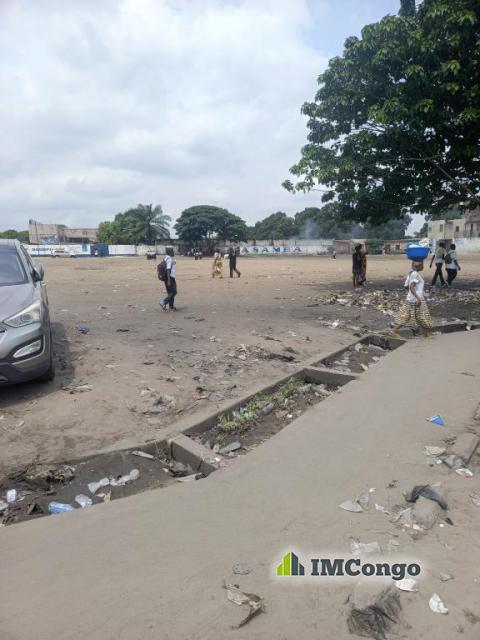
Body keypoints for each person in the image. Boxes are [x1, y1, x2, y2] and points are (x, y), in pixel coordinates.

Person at [390, 260, 432, 338]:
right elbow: (411, 287)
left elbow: (406, 286)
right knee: (423, 316)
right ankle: (425, 335)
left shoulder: (411, 273)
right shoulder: (415, 274)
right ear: (419, 266)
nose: (423, 266)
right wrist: (418, 298)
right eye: (422, 265)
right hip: (417, 299)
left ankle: (393, 331)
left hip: (410, 299)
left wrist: (412, 293)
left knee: (407, 316)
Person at [160, 247, 177, 311]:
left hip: (166, 278)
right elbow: (168, 269)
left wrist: (173, 263)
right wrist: (169, 280)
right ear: (170, 252)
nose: (173, 252)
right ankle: (163, 302)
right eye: (172, 251)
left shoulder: (166, 258)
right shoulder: (169, 258)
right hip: (170, 277)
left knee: (170, 292)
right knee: (174, 292)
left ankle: (171, 307)